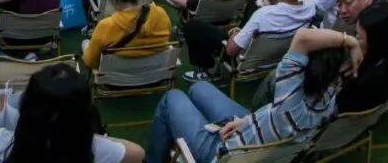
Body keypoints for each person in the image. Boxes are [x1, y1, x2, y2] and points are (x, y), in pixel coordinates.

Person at [145, 26, 352, 163]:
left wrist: (349, 41)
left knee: (172, 97)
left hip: (220, 153)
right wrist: (244, 122)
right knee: (199, 88)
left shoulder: (289, 92)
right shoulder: (330, 98)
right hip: (254, 134)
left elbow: (302, 37)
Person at [0, 64, 145, 163]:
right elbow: (138, 153)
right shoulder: (99, 150)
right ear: (83, 118)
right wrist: (90, 135)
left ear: (26, 106)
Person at [182, 0, 315, 80]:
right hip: (279, 56)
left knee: (193, 26)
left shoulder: (263, 15)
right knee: (251, 6)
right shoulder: (310, 7)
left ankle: (208, 69)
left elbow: (231, 50)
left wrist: (234, 33)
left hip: (244, 59)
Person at [81, 0, 171, 70]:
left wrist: (86, 46)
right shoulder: (161, 14)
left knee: (85, 43)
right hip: (154, 74)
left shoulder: (106, 26)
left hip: (117, 77)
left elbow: (90, 61)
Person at [335, 1, 388, 113]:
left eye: (358, 36)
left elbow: (337, 107)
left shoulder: (365, 83)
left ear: (374, 41)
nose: (354, 40)